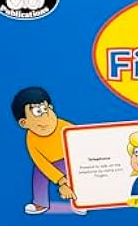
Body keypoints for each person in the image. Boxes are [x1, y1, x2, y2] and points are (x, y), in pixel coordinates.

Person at [11, 87, 85, 215]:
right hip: (51, 165)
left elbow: (82, 139)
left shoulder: (64, 126)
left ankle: (81, 200)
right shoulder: (31, 140)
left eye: (46, 109)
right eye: (37, 112)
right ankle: (40, 202)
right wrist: (61, 181)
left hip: (72, 159)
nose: (45, 117)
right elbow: (41, 163)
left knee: (81, 172)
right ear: (24, 123)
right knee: (39, 172)